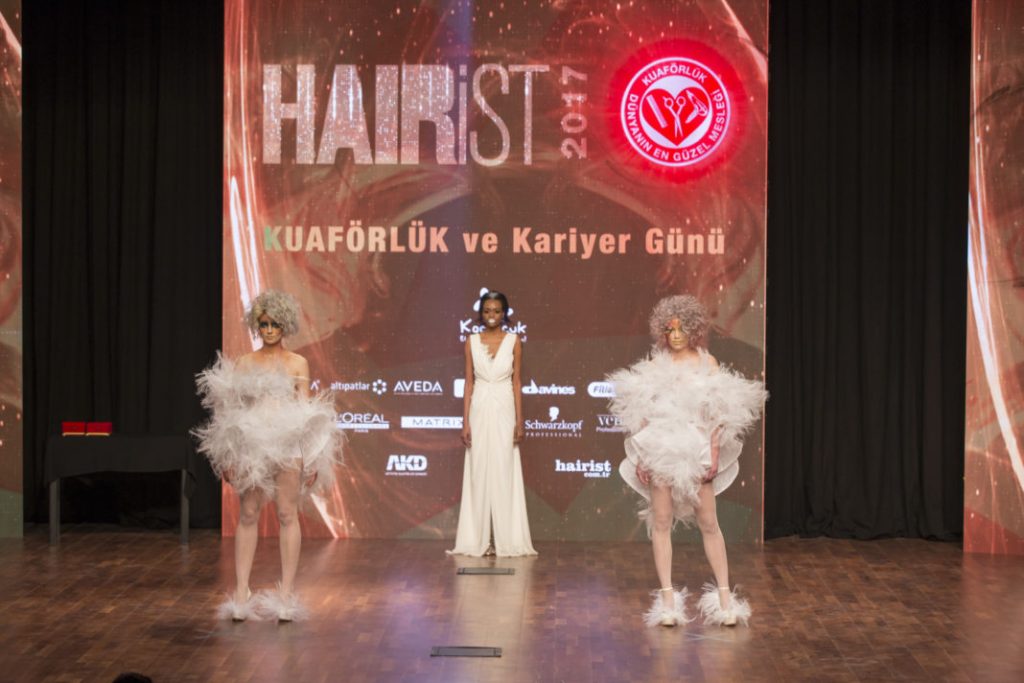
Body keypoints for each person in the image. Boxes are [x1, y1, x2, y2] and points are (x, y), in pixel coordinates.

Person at [608, 295, 766, 627]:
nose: (676, 335)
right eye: (670, 329)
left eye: (682, 329)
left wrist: (713, 453)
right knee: (661, 522)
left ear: (693, 329)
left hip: (696, 449)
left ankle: (725, 599)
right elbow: (643, 415)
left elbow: (718, 414)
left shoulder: (708, 363)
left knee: (709, 523)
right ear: (662, 331)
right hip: (661, 449)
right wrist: (642, 457)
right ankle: (668, 602)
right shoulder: (654, 365)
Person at [193, 290, 343, 621]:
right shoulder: (245, 363)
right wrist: (230, 455)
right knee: (248, 513)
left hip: (288, 446)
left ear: (285, 325)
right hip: (252, 446)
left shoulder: (297, 363)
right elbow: (231, 413)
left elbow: (305, 413)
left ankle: (286, 595)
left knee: (287, 513)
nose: (270, 330)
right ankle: (241, 592)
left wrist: (310, 458)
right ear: (256, 326)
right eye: (264, 324)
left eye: (275, 324)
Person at [448, 291, 537, 557]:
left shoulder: (514, 341)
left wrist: (520, 420)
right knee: (478, 470)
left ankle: (505, 539)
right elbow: (469, 383)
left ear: (504, 314)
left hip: (504, 406)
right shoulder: (471, 341)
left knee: (504, 469)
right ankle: (478, 539)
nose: (491, 316)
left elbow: (517, 382)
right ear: (481, 313)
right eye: (487, 311)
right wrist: (465, 422)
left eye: (497, 311)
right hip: (479, 407)